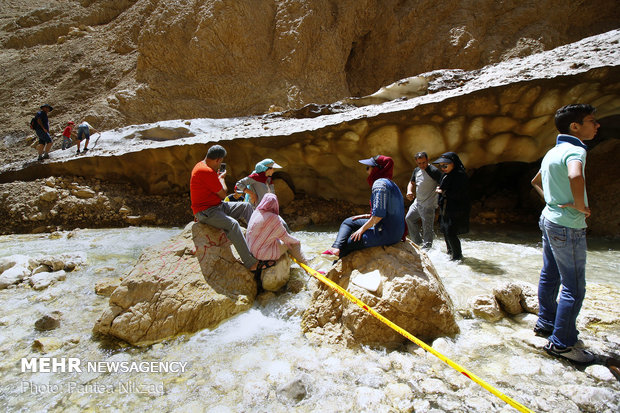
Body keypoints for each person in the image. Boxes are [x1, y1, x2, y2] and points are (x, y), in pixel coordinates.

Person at [530, 103, 599, 363]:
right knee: (574, 286)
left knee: (550, 275)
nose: (597, 125)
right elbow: (575, 175)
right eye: (592, 121)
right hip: (568, 225)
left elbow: (535, 182)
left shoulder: (552, 151)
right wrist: (581, 207)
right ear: (575, 126)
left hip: (549, 219)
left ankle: (546, 323)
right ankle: (561, 343)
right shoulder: (576, 149)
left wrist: (552, 201)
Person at [190, 145, 260, 271]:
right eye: (221, 161)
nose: (220, 164)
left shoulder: (201, 165)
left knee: (246, 207)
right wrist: (221, 179)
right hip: (206, 211)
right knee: (233, 225)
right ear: (218, 160)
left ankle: (258, 240)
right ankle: (250, 263)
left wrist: (216, 178)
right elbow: (223, 194)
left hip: (217, 206)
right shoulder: (206, 171)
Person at [323, 155, 405, 258]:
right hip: (395, 231)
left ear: (376, 169)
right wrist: (366, 216)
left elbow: (379, 215)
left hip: (387, 234)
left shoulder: (379, 184)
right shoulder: (391, 184)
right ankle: (336, 248)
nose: (366, 171)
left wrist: (361, 230)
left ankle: (335, 264)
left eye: (368, 168)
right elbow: (386, 212)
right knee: (349, 221)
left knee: (350, 242)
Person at [246, 193, 307, 265]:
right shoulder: (273, 218)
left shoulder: (256, 212)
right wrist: (297, 241)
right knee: (293, 243)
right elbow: (286, 237)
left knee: (280, 240)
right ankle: (307, 264)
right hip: (261, 254)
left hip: (250, 249)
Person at [433, 152, 470, 261]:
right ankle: (450, 252)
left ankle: (457, 257)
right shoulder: (446, 175)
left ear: (453, 164)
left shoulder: (460, 175)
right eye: (441, 166)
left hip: (456, 208)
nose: (442, 168)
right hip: (446, 208)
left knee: (450, 232)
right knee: (445, 230)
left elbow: (460, 194)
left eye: (445, 165)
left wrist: (442, 192)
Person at [405, 151, 442, 249]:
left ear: (427, 160)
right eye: (419, 163)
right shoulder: (416, 170)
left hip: (428, 204)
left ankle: (427, 249)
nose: (422, 165)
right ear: (416, 162)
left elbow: (442, 181)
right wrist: (409, 191)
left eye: (424, 162)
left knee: (427, 228)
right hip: (417, 202)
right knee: (409, 218)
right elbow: (411, 182)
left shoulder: (433, 171)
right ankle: (417, 243)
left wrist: (439, 188)